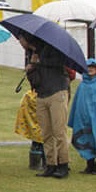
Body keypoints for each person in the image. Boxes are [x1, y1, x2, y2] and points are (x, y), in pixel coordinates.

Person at [29, 42, 73, 179]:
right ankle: (50, 164)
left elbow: (58, 64)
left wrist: (39, 62)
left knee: (59, 131)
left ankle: (63, 163)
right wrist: (31, 68)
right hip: (42, 94)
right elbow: (34, 81)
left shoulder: (57, 50)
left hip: (57, 91)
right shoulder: (35, 53)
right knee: (46, 132)